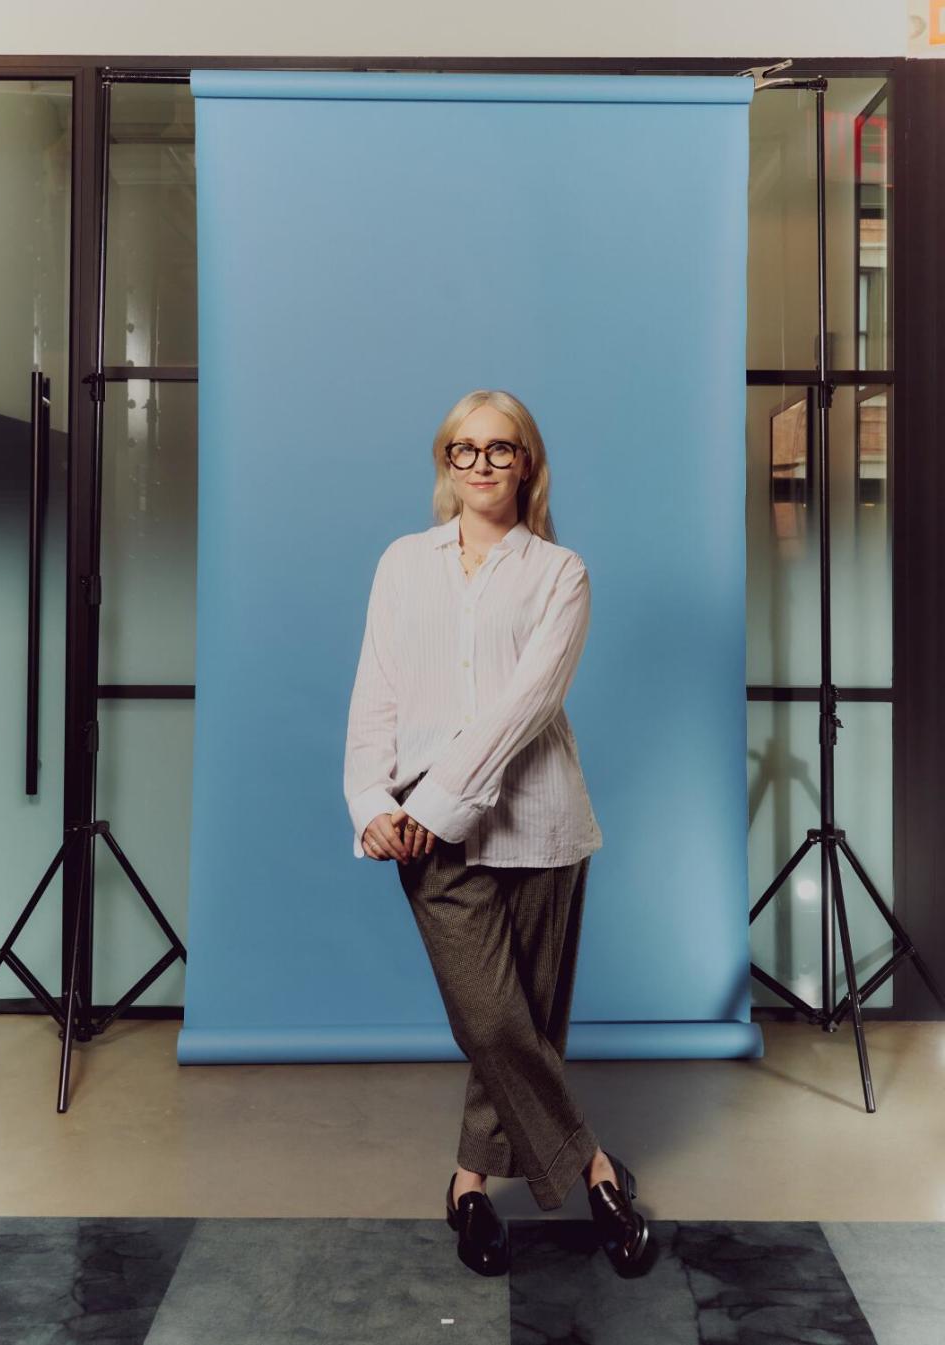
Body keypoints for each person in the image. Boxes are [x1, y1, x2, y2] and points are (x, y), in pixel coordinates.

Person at [343, 388, 655, 1279]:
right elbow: (377, 694)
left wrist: (428, 804)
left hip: (542, 824)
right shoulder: (403, 563)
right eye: (463, 450)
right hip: (420, 833)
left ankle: (469, 1183)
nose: (481, 464)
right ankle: (595, 1169)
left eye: (500, 449)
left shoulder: (562, 574)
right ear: (446, 463)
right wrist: (373, 802)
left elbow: (524, 711)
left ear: (528, 463)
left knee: (519, 1026)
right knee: (492, 1018)